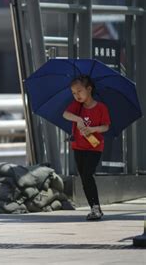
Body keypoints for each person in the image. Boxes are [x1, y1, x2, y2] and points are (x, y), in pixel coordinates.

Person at [63, 75, 110, 221]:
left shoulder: (101, 107)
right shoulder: (77, 106)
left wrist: (92, 129)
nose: (77, 95)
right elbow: (65, 114)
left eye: (79, 91)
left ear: (89, 89)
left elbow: (106, 127)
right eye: (74, 93)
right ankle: (94, 208)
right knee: (83, 176)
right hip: (78, 146)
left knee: (88, 174)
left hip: (94, 147)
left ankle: (96, 208)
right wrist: (78, 119)